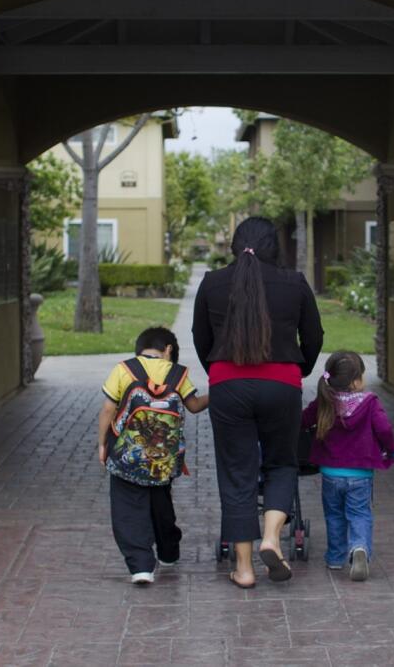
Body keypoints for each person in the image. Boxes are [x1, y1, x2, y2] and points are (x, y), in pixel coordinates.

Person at [193, 216, 323, 587]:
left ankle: (245, 569)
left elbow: (200, 337)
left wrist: (219, 372)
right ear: (274, 246)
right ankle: (271, 538)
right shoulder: (294, 283)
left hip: (228, 387)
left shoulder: (212, 283)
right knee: (282, 463)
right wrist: (299, 371)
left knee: (237, 473)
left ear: (234, 244)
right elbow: (313, 336)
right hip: (282, 385)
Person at [96, 326, 209, 584]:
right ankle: (168, 552)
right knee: (161, 505)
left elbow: (107, 409)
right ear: (168, 349)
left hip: (127, 458)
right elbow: (194, 406)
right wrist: (220, 393)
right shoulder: (178, 374)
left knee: (128, 508)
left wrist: (102, 443)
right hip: (162, 460)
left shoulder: (124, 369)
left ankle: (141, 567)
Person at [300, 351, 394, 581]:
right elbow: (384, 429)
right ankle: (359, 548)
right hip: (360, 474)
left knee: (334, 515)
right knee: (359, 513)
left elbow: (303, 420)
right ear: (355, 381)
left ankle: (335, 558)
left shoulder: (324, 401)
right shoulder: (370, 403)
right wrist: (391, 451)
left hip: (330, 474)